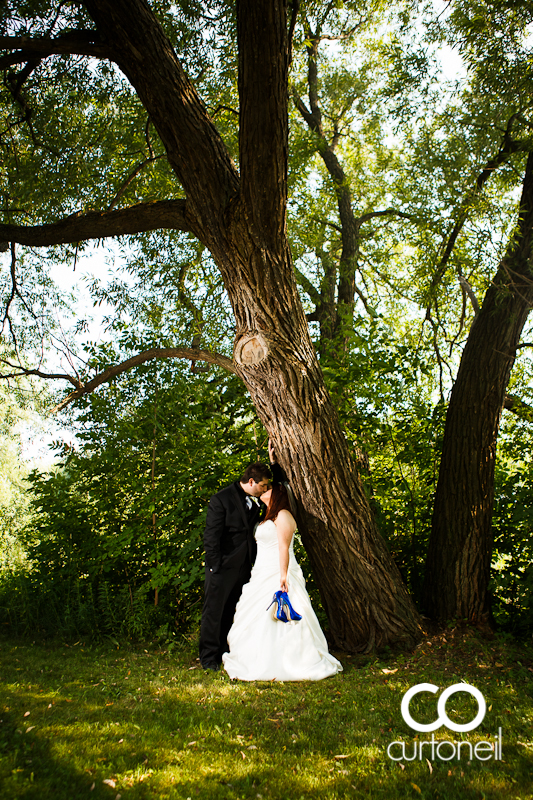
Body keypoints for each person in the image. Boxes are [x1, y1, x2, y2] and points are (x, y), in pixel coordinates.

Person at [222, 483, 343, 681]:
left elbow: (283, 548)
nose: (263, 490)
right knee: (257, 615)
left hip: (278, 571)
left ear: (277, 494)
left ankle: (292, 660)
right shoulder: (269, 515)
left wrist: (283, 576)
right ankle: (256, 657)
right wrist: (273, 461)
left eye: (268, 488)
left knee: (284, 615)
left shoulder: (284, 515)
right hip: (261, 572)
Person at [199, 462, 273, 670]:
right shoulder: (221, 499)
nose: (265, 490)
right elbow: (211, 536)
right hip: (222, 567)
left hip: (245, 568)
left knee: (234, 611)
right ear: (251, 481)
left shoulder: (257, 500)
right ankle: (208, 658)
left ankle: (226, 651)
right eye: (263, 486)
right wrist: (215, 566)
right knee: (214, 612)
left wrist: (273, 462)